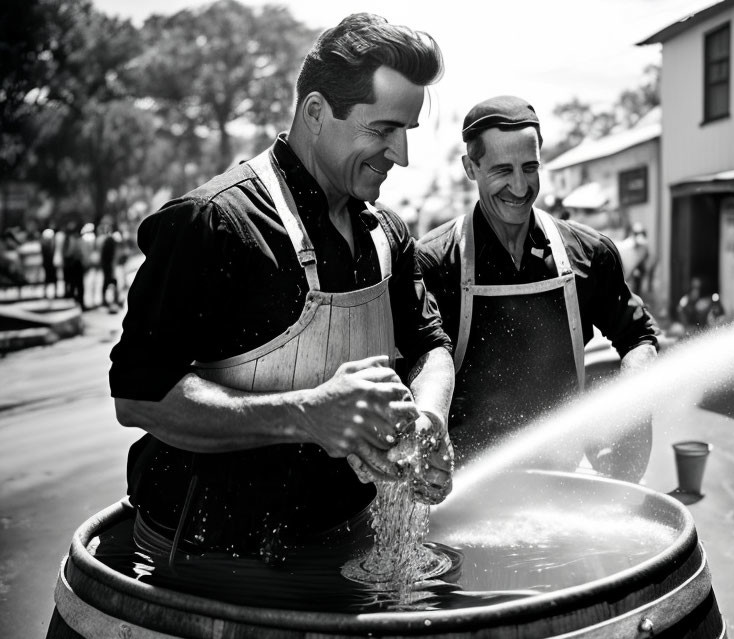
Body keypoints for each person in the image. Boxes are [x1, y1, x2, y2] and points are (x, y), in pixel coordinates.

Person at [109, 14, 455, 590]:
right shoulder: (214, 223)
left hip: (348, 544)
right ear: (316, 112)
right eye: (383, 129)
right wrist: (306, 412)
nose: (401, 153)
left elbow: (429, 345)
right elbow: (139, 398)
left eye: (407, 131)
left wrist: (430, 417)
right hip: (208, 562)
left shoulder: (387, 233)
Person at [416, 96, 659, 481]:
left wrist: (632, 407)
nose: (519, 186)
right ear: (470, 167)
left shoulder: (589, 254)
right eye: (502, 170)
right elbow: (413, 373)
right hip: (463, 487)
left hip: (563, 479)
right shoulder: (434, 263)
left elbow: (638, 337)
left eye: (530, 168)